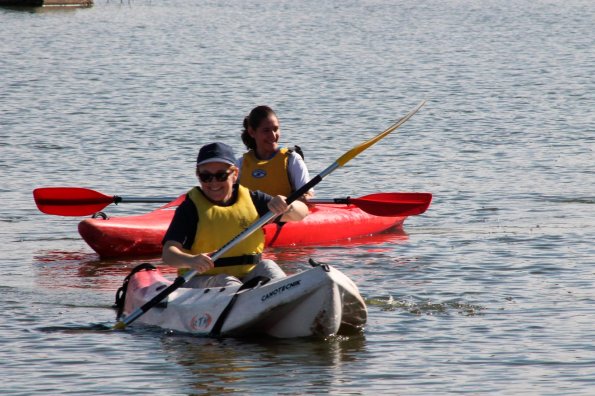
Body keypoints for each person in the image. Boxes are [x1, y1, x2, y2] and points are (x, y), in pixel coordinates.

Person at [162, 142, 309, 288]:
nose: (213, 183)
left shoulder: (253, 199)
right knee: (226, 282)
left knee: (268, 266)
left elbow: (301, 213)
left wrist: (288, 206)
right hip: (200, 280)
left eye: (221, 175)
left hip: (247, 276)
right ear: (197, 175)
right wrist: (190, 260)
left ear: (235, 174)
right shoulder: (189, 208)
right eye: (206, 176)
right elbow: (169, 253)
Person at [239, 105, 314, 199]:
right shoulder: (240, 164)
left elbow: (308, 196)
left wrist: (304, 197)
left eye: (275, 129)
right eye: (266, 130)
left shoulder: (292, 160)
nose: (273, 136)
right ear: (252, 132)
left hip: (285, 212)